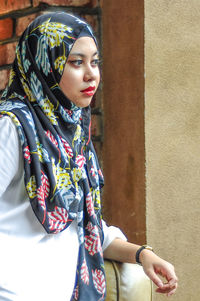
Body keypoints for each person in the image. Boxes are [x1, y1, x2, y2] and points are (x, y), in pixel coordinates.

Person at [0, 12, 178, 301]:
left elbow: (87, 227)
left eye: (94, 61)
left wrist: (143, 254)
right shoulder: (12, 125)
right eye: (76, 62)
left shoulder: (72, 133)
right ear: (46, 64)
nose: (91, 74)